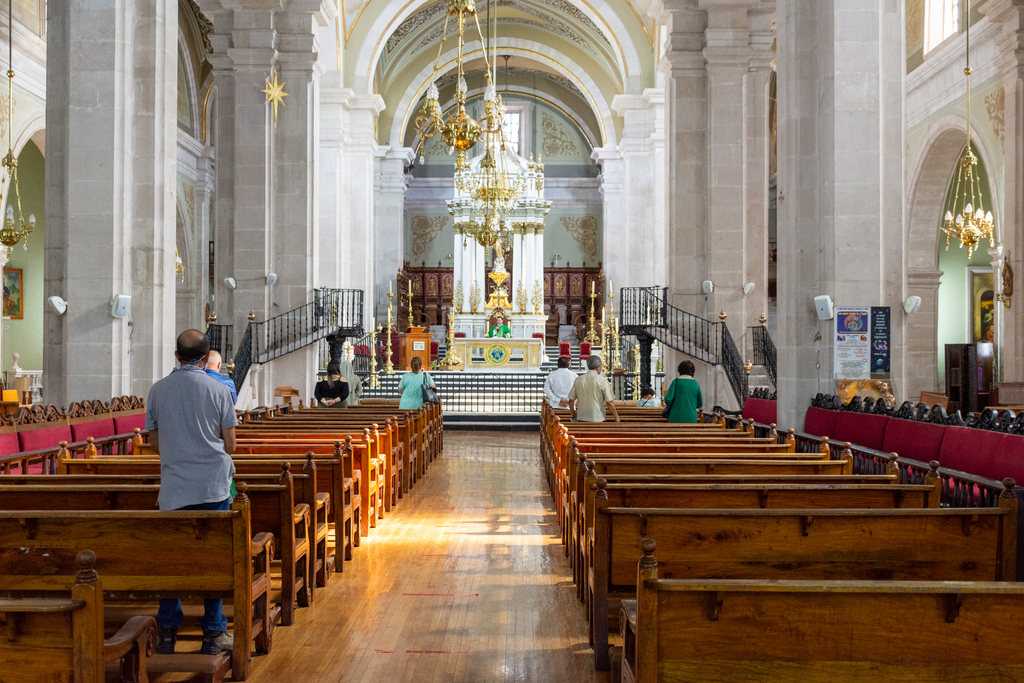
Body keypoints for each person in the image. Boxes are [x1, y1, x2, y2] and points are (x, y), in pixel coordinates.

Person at [145, 329, 237, 656]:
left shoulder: (157, 390)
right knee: (214, 558)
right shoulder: (218, 389)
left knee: (172, 558)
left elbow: (154, 443)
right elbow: (230, 443)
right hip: (213, 485)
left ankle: (167, 631)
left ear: (176, 356)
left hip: (174, 487)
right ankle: (213, 633)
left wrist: (178, 452)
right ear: (205, 355)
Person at [567, 354, 620, 422]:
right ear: (598, 367)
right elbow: (609, 402)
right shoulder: (602, 380)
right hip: (597, 418)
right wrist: (616, 417)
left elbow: (571, 400)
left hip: (581, 417)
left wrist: (573, 414)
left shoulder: (578, 379)